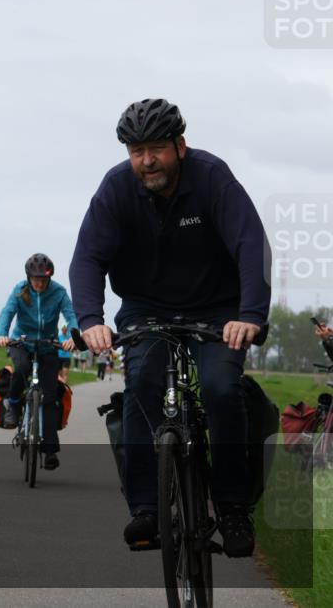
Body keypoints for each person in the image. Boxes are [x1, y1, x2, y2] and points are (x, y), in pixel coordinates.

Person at [69, 98, 270, 558]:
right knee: (141, 383)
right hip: (145, 308)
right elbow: (88, 258)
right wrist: (90, 320)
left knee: (221, 389)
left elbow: (250, 245)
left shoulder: (212, 178)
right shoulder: (116, 189)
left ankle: (233, 507)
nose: (146, 161)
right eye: (136, 151)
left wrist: (251, 315)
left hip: (219, 309)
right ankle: (147, 508)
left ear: (180, 145)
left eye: (156, 149)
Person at [0, 254, 78, 470]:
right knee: (21, 369)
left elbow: (71, 315)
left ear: (49, 278)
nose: (39, 283)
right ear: (29, 277)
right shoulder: (21, 289)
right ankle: (12, 404)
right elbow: (7, 312)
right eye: (35, 279)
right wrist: (2, 334)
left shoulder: (58, 292)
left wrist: (73, 337)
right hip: (22, 341)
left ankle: (50, 452)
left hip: (48, 345)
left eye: (43, 279)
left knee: (49, 396)